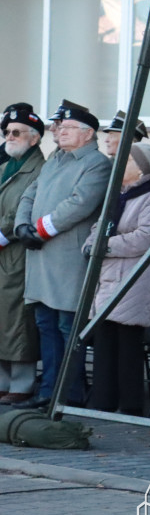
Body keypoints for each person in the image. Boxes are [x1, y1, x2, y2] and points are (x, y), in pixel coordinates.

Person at [13, 100, 112, 409]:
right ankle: (48, 391)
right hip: (41, 258)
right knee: (45, 325)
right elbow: (30, 191)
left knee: (68, 329)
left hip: (67, 259)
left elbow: (80, 204)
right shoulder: (56, 158)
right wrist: (21, 226)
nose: (60, 132)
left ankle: (69, 393)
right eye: (60, 127)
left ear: (88, 133)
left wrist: (39, 230)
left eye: (67, 128)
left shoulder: (97, 163)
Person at [85, 144, 150, 415]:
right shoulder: (118, 196)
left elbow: (147, 237)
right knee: (105, 345)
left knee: (127, 347)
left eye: (127, 160)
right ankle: (104, 403)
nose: (119, 164)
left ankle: (130, 406)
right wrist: (92, 244)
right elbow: (97, 229)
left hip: (133, 282)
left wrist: (105, 246)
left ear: (142, 168)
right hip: (108, 280)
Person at [0, 104, 46, 405]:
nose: (9, 137)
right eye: (7, 132)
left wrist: (3, 234)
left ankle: (22, 383)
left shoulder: (38, 169)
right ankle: (3, 381)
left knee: (18, 320)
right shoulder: (7, 167)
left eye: (17, 132)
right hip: (5, 255)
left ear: (34, 138)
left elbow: (24, 211)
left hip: (18, 253)